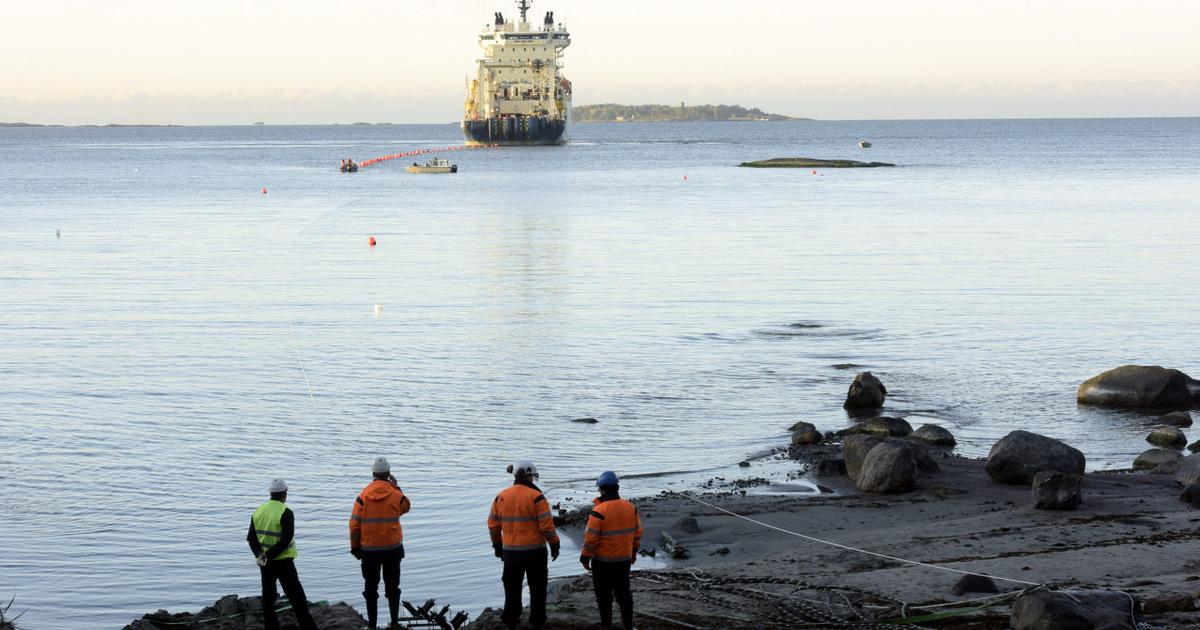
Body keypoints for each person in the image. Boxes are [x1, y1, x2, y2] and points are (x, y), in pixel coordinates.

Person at [487, 460, 560, 630]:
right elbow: (547, 527)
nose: (533, 480)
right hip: (535, 553)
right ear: (528, 476)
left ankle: (511, 622)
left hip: (511, 554)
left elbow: (492, 524)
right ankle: (537, 622)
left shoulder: (501, 496)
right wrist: (554, 545)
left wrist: (497, 546)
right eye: (532, 477)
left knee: (512, 590)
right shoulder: (537, 497)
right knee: (538, 590)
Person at [247, 478, 320, 630]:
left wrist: (261, 555)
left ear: (270, 493)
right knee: (297, 599)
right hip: (283, 562)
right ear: (285, 494)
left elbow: (251, 538)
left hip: (265, 563)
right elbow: (285, 540)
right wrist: (269, 556)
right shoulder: (285, 512)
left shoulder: (258, 511)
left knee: (268, 600)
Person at [349, 456, 411, 630]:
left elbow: (354, 525)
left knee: (370, 588)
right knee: (393, 587)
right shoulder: (396, 494)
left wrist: (355, 547)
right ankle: (393, 622)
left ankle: (372, 626)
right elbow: (406, 506)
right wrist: (396, 486)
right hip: (392, 550)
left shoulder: (363, 496)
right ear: (389, 474)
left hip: (369, 551)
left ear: (373, 473)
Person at [580, 470, 642, 630]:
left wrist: (584, 557)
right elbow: (637, 533)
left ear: (601, 489)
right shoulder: (630, 508)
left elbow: (591, 540)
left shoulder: (599, 512)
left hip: (602, 562)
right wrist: (633, 553)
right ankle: (628, 626)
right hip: (624, 560)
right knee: (624, 595)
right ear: (617, 487)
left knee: (604, 597)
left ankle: (606, 626)